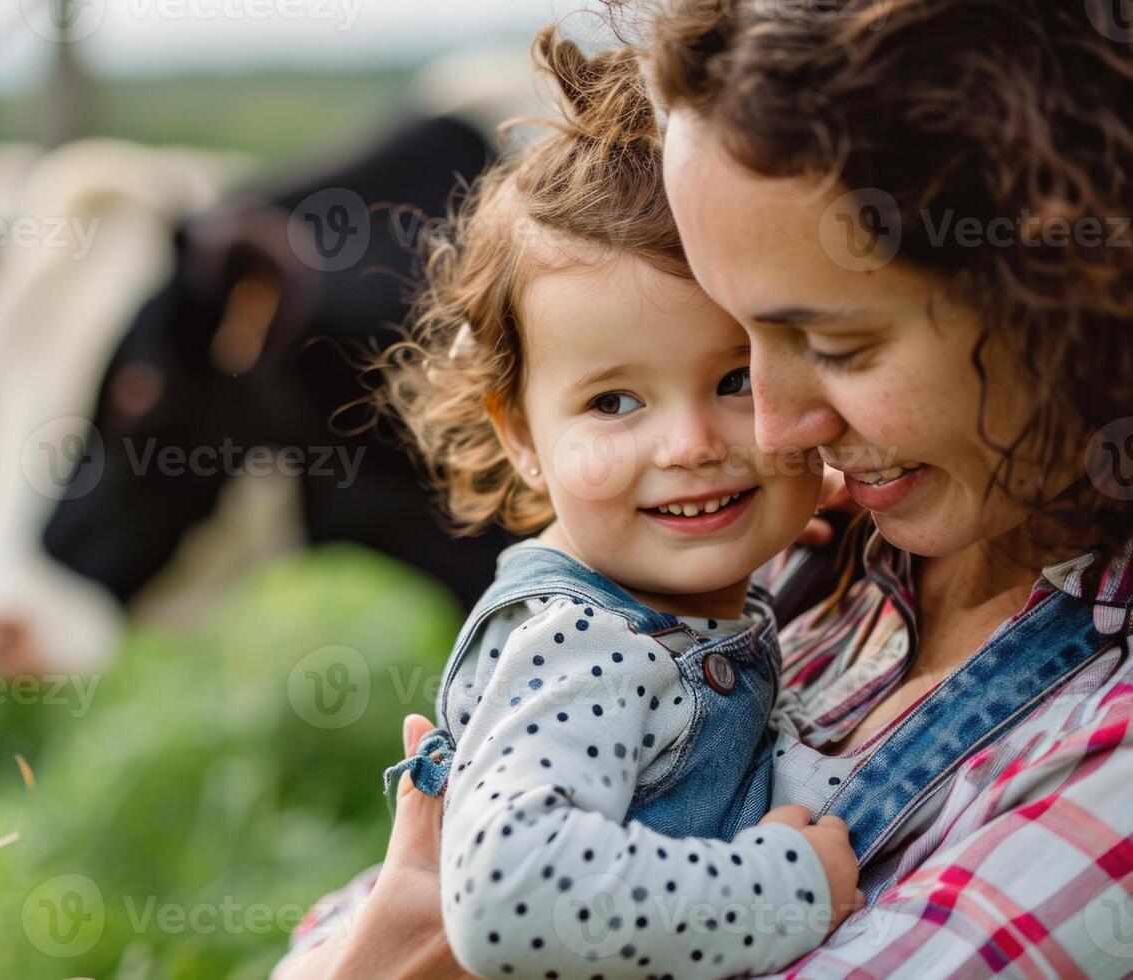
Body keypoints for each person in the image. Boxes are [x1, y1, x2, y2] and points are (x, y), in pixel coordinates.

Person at [272, 2, 1133, 976]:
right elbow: (384, 920)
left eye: (836, 344)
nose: (767, 429)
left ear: (1064, 286)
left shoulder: (1100, 745)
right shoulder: (754, 584)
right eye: (748, 343)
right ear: (518, 428)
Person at [359, 25, 859, 978]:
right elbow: (511, 899)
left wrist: (813, 487)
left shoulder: (665, 597)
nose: (691, 447)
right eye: (615, 401)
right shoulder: (583, 647)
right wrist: (783, 889)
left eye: (736, 380)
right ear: (520, 436)